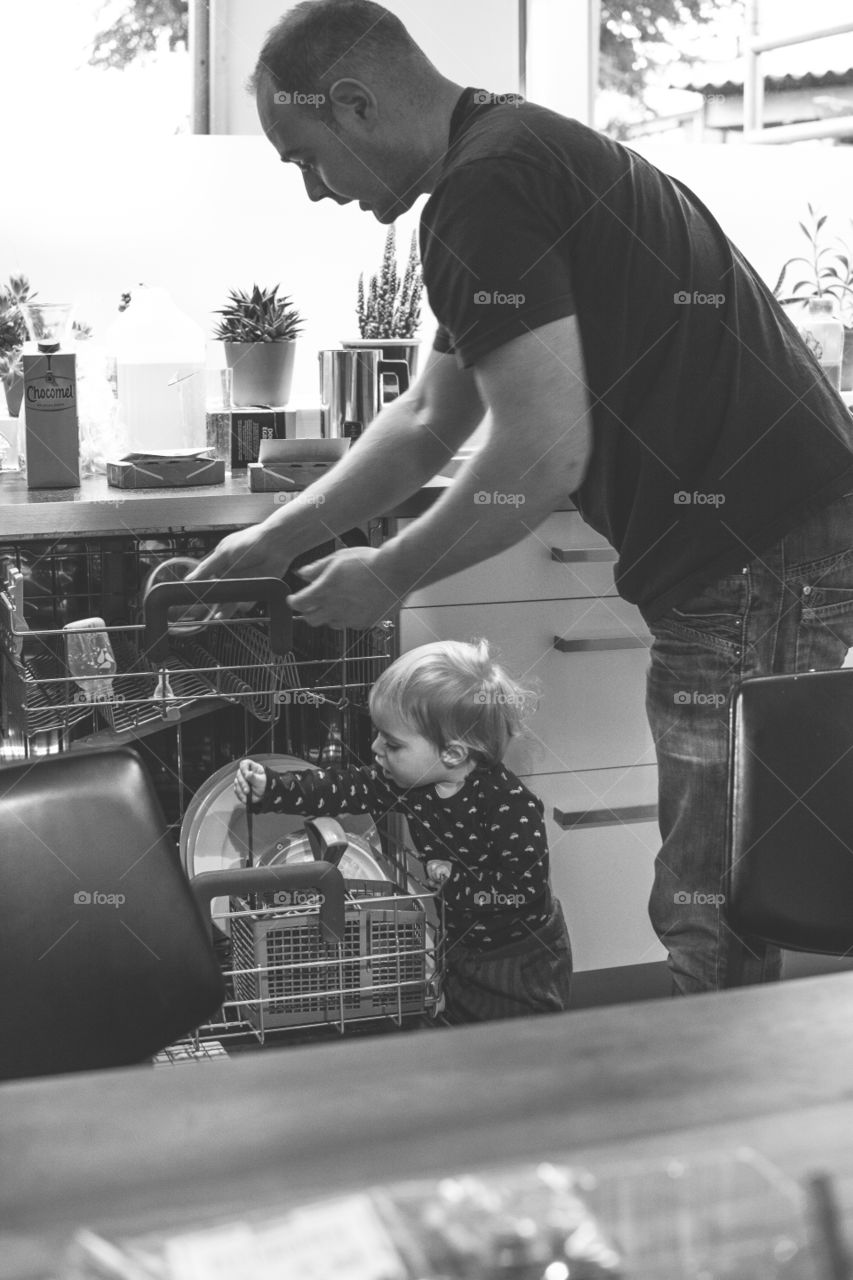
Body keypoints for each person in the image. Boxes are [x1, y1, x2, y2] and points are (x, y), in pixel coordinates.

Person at [194, 0, 853, 994]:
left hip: (758, 539)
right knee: (713, 880)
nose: (314, 191)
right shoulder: (500, 158)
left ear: (354, 103)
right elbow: (428, 419)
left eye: (305, 156)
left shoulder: (486, 187)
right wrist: (273, 540)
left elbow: (540, 452)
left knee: (710, 894)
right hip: (758, 532)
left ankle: (706, 1134)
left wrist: (389, 572)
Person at [234, 639, 573, 1023]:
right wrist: (273, 789)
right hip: (463, 943)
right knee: (468, 1038)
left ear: (453, 754)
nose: (375, 747)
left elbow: (521, 890)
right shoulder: (408, 781)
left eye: (392, 743)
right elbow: (340, 788)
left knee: (524, 1052)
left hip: (520, 958)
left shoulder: (509, 805)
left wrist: (453, 881)